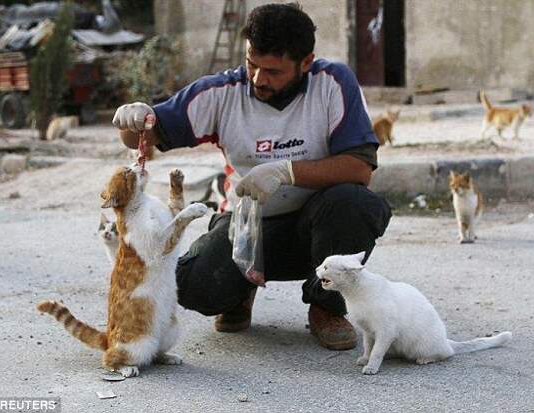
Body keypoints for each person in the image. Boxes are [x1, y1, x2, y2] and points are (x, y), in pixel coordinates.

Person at [112, 2, 391, 351]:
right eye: (252, 65)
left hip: (317, 228)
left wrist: (286, 171)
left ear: (305, 63)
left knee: (355, 203)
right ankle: (237, 295)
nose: (259, 79)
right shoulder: (222, 92)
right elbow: (148, 133)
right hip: (247, 229)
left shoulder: (333, 84)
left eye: (273, 71)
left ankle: (327, 306)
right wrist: (132, 121)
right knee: (194, 284)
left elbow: (359, 168)